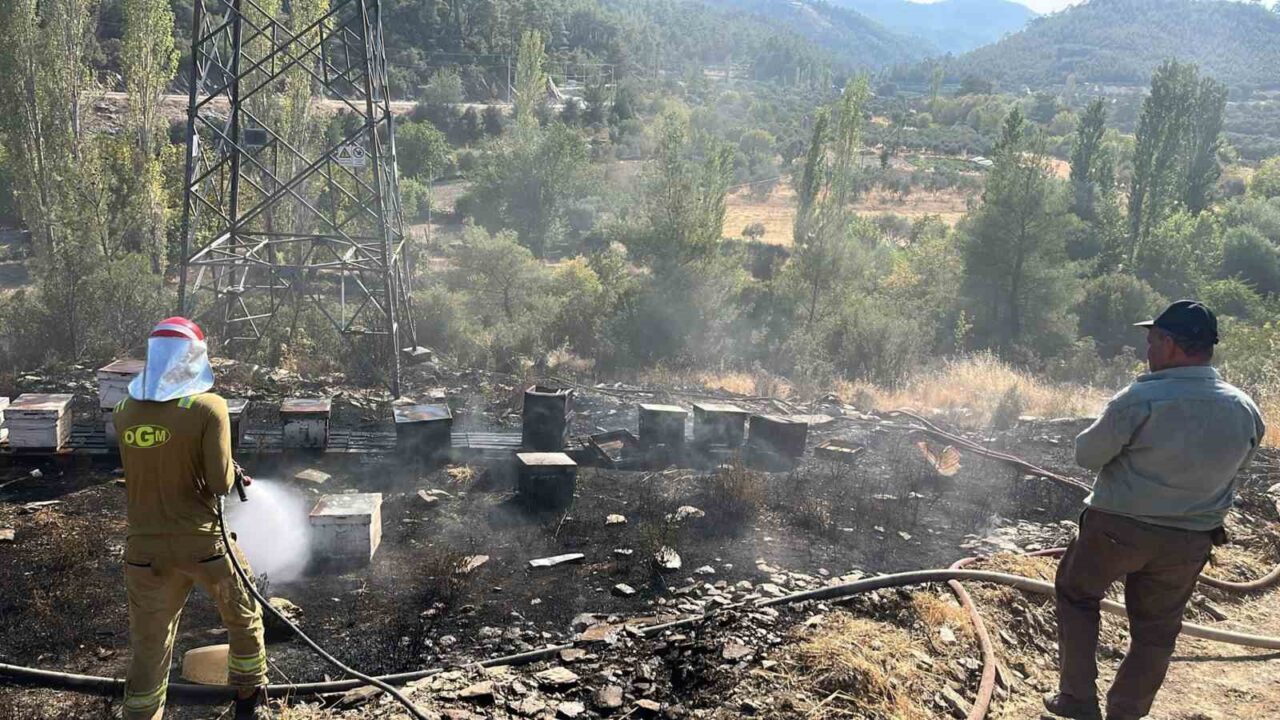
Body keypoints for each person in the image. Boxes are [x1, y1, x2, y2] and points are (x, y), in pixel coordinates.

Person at [1044, 300, 1265, 720]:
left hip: (1117, 529)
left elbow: (1087, 455)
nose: (1147, 349)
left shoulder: (1141, 397)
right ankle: (1126, 713)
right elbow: (1238, 466)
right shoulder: (1245, 408)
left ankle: (1077, 699)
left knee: (1077, 594)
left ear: (1171, 344)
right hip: (1189, 540)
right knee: (1157, 631)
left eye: (1152, 340)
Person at [114, 317, 270, 720]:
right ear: (194, 357)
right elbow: (219, 482)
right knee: (244, 615)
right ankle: (248, 703)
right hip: (203, 544)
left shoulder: (124, 410)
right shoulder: (207, 407)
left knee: (150, 643)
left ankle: (141, 713)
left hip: (144, 552)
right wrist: (236, 472)